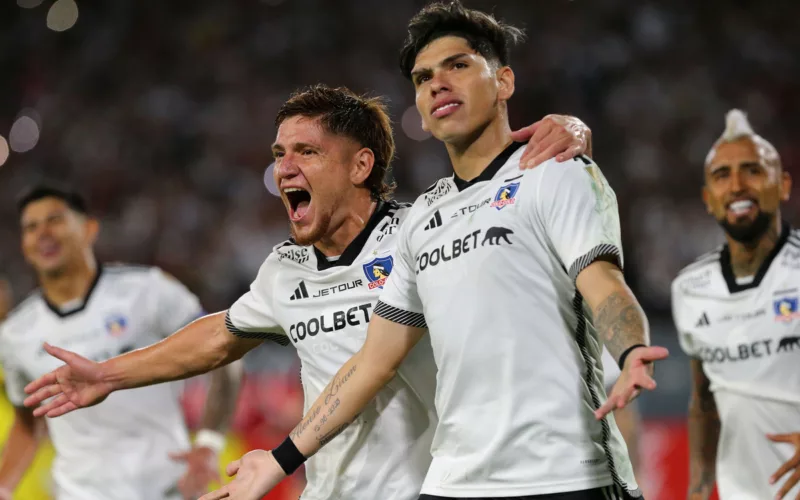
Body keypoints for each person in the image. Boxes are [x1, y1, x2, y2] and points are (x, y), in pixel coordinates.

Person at [21, 84, 592, 500]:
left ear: (361, 165)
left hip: (434, 488)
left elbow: (505, 201)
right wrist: (108, 374)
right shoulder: (284, 270)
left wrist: (572, 130)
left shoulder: (424, 233)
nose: (284, 169)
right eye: (278, 155)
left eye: (306, 152)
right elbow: (220, 338)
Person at [194, 2, 670, 499]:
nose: (437, 84)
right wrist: (279, 460)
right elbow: (373, 361)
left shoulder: (555, 173)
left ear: (503, 82)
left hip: (565, 474)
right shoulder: (422, 219)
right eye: (423, 79)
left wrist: (632, 349)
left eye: (458, 66)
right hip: (455, 483)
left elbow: (604, 284)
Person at [0, 185, 241, 500]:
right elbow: (27, 422)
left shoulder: (148, 290)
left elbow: (225, 350)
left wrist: (209, 443)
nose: (42, 233)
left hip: (168, 489)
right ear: (24, 245)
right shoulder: (16, 334)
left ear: (89, 229)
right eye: (31, 227)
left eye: (54, 220)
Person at [672, 109, 800, 500]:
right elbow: (704, 401)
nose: (738, 185)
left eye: (753, 170)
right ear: (709, 199)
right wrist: (698, 489)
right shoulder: (689, 289)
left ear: (783, 185)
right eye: (722, 176)